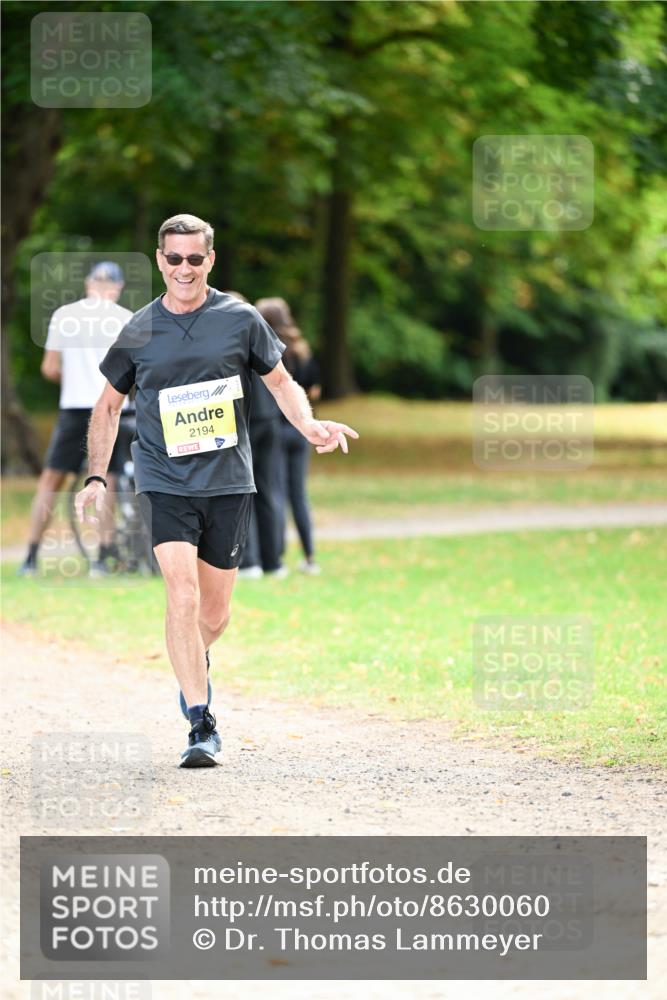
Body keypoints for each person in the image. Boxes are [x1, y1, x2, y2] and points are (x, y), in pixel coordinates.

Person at [75, 213, 358, 769]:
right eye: (173, 258)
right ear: (159, 260)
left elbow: (281, 382)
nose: (184, 268)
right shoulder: (138, 329)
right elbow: (108, 406)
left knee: (214, 614)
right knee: (180, 595)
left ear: (210, 260)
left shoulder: (240, 319)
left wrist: (310, 426)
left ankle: (192, 661)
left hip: (228, 480)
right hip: (163, 477)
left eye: (195, 258)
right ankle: (200, 721)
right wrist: (96, 475)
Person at [18, 262, 133, 578]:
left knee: (51, 482)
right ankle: (104, 556)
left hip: (75, 407)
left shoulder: (65, 316)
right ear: (118, 287)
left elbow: (50, 368)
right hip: (112, 408)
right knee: (108, 480)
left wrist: (74, 378)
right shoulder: (126, 320)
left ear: (88, 284)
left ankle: (30, 556)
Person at [256, 298, 322, 574]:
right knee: (299, 494)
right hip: (303, 431)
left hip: (279, 427)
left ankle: (277, 556)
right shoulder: (302, 349)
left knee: (277, 493)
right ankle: (309, 556)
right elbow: (315, 389)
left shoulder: (267, 350)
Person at [224, 292, 286, 581]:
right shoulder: (256, 333)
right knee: (268, 489)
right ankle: (273, 560)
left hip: (245, 421)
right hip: (269, 419)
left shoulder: (225, 339)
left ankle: (249, 561)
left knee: (242, 490)